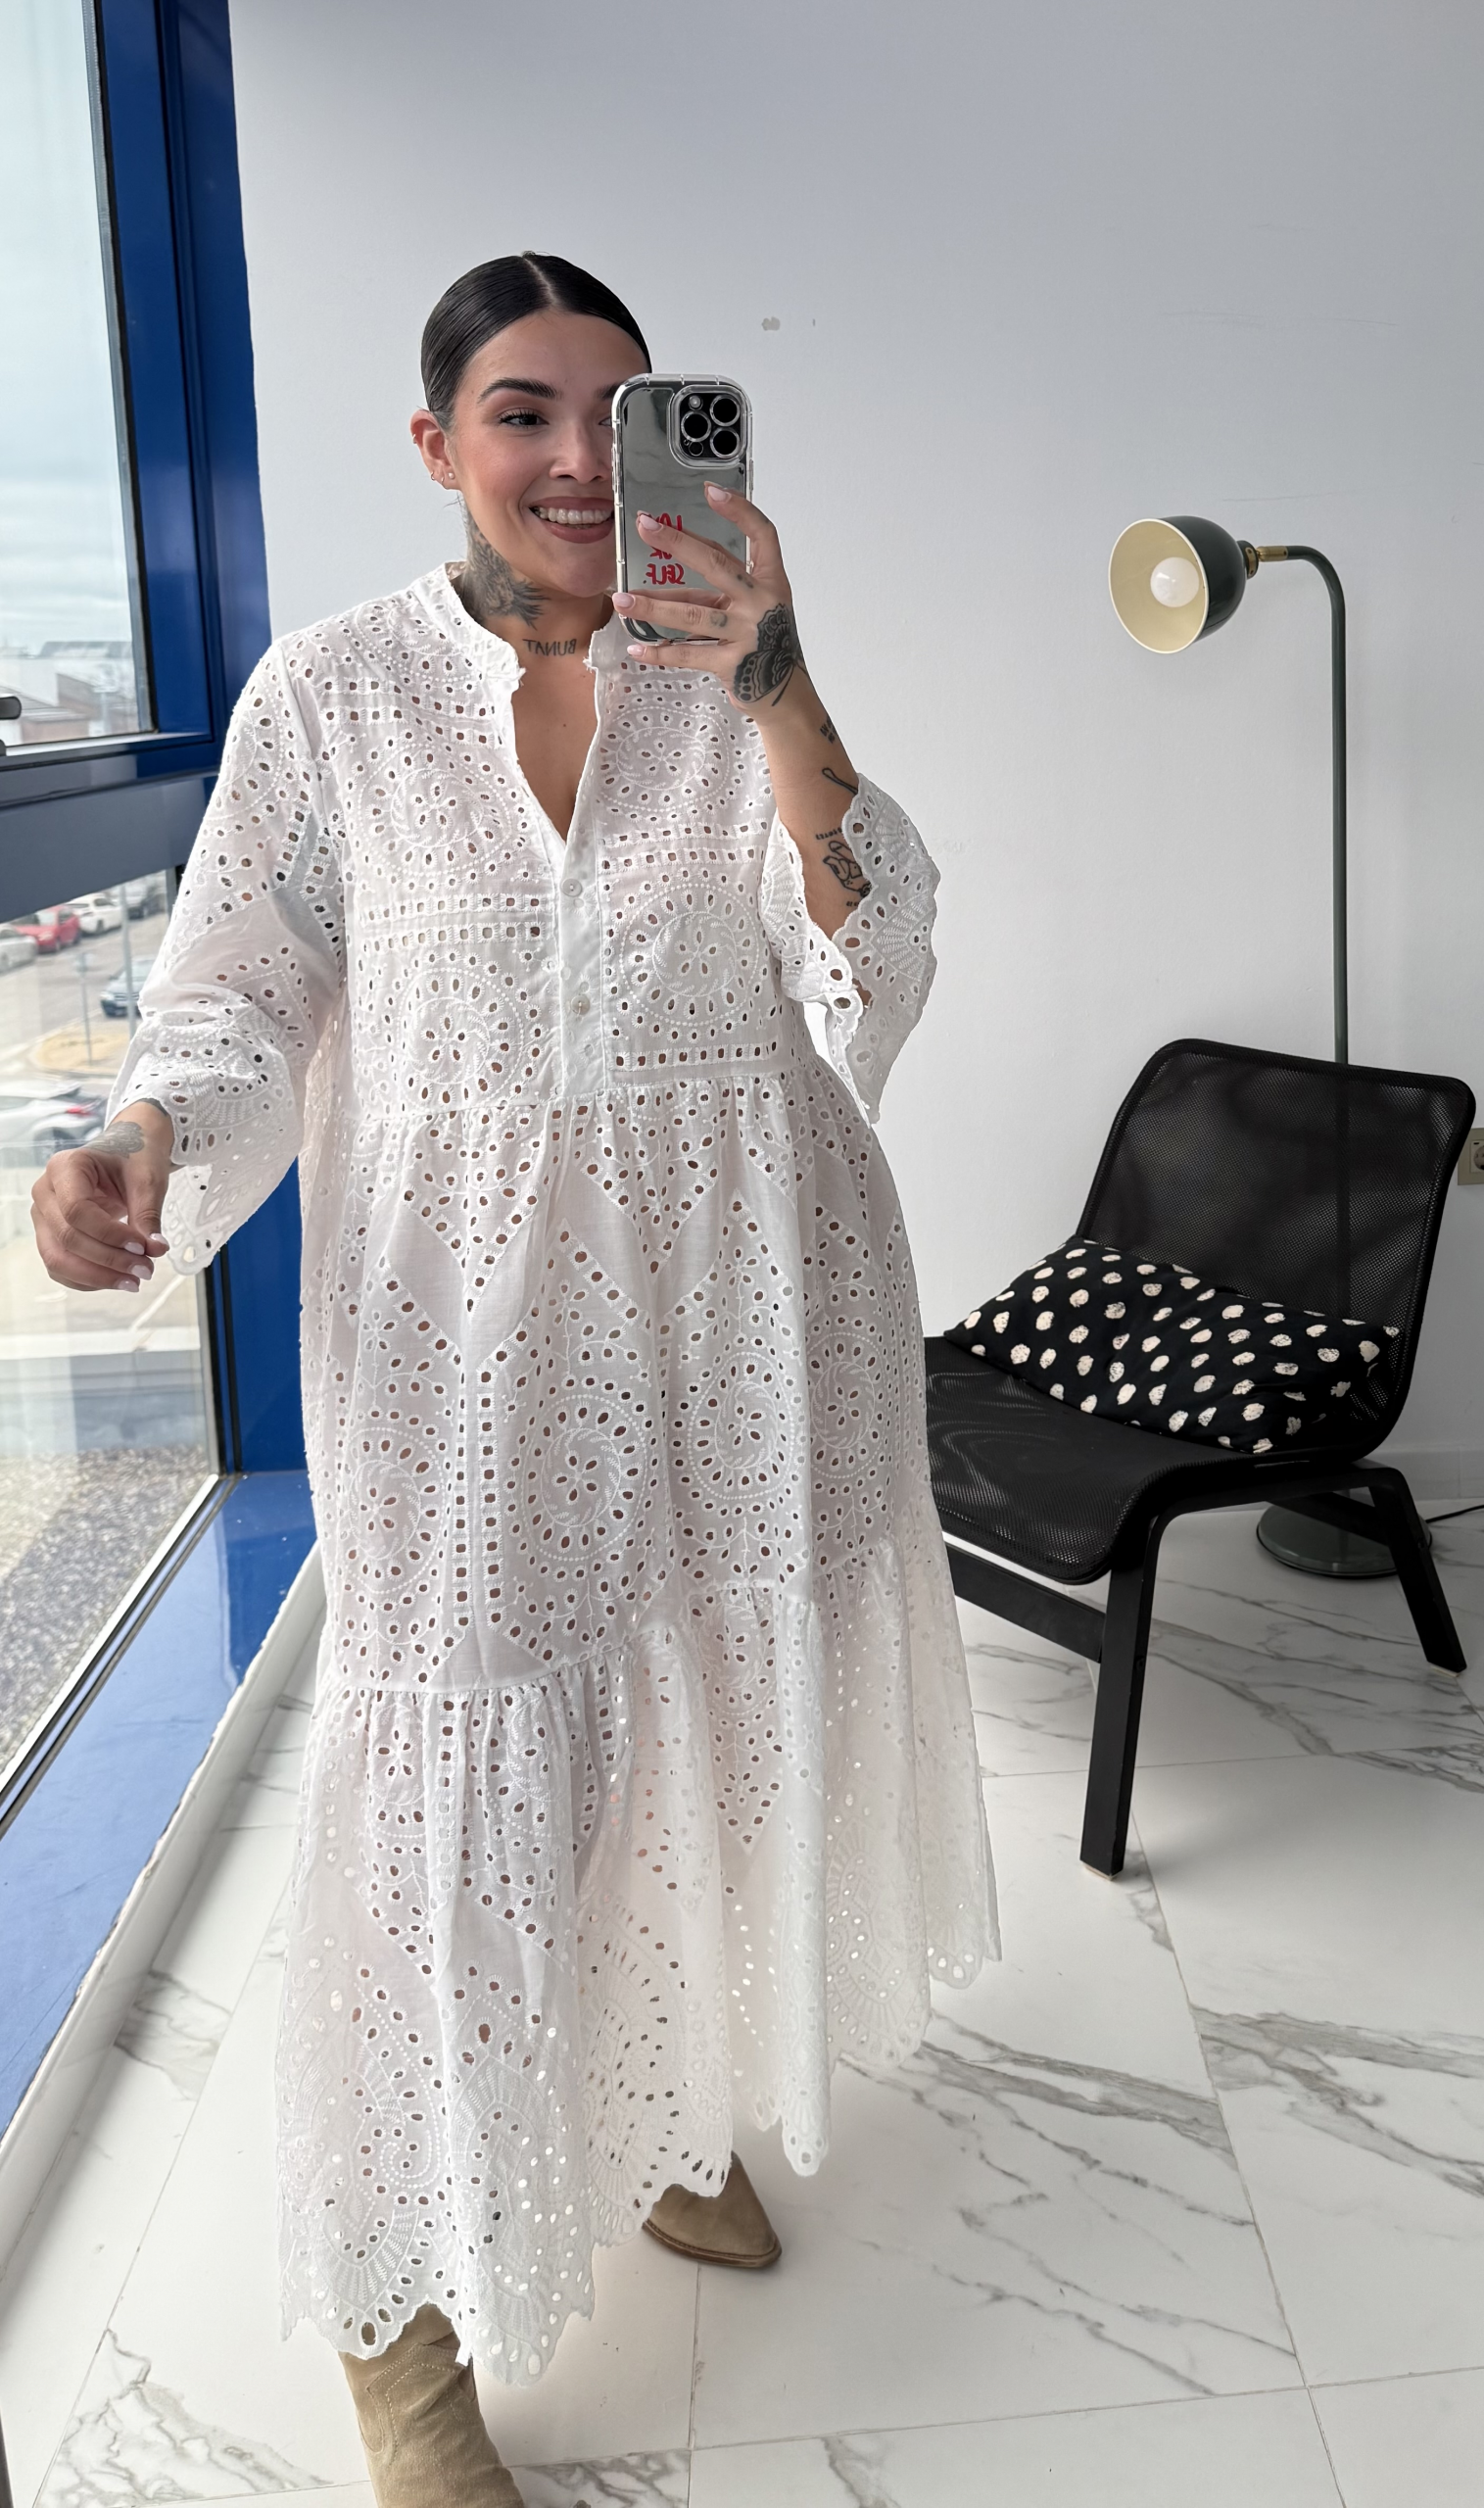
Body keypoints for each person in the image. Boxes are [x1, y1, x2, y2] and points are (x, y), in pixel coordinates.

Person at [32, 253, 996, 2504]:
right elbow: (236, 994)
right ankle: (402, 2326)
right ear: (435, 442)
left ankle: (658, 2114)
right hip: (462, 1347)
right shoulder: (334, 695)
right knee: (451, 1813)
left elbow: (867, 971)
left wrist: (777, 678)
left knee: (701, 1743)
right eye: (521, 411)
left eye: (618, 410)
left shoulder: (723, 676)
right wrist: (144, 1140)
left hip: (751, 1316)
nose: (577, 457)